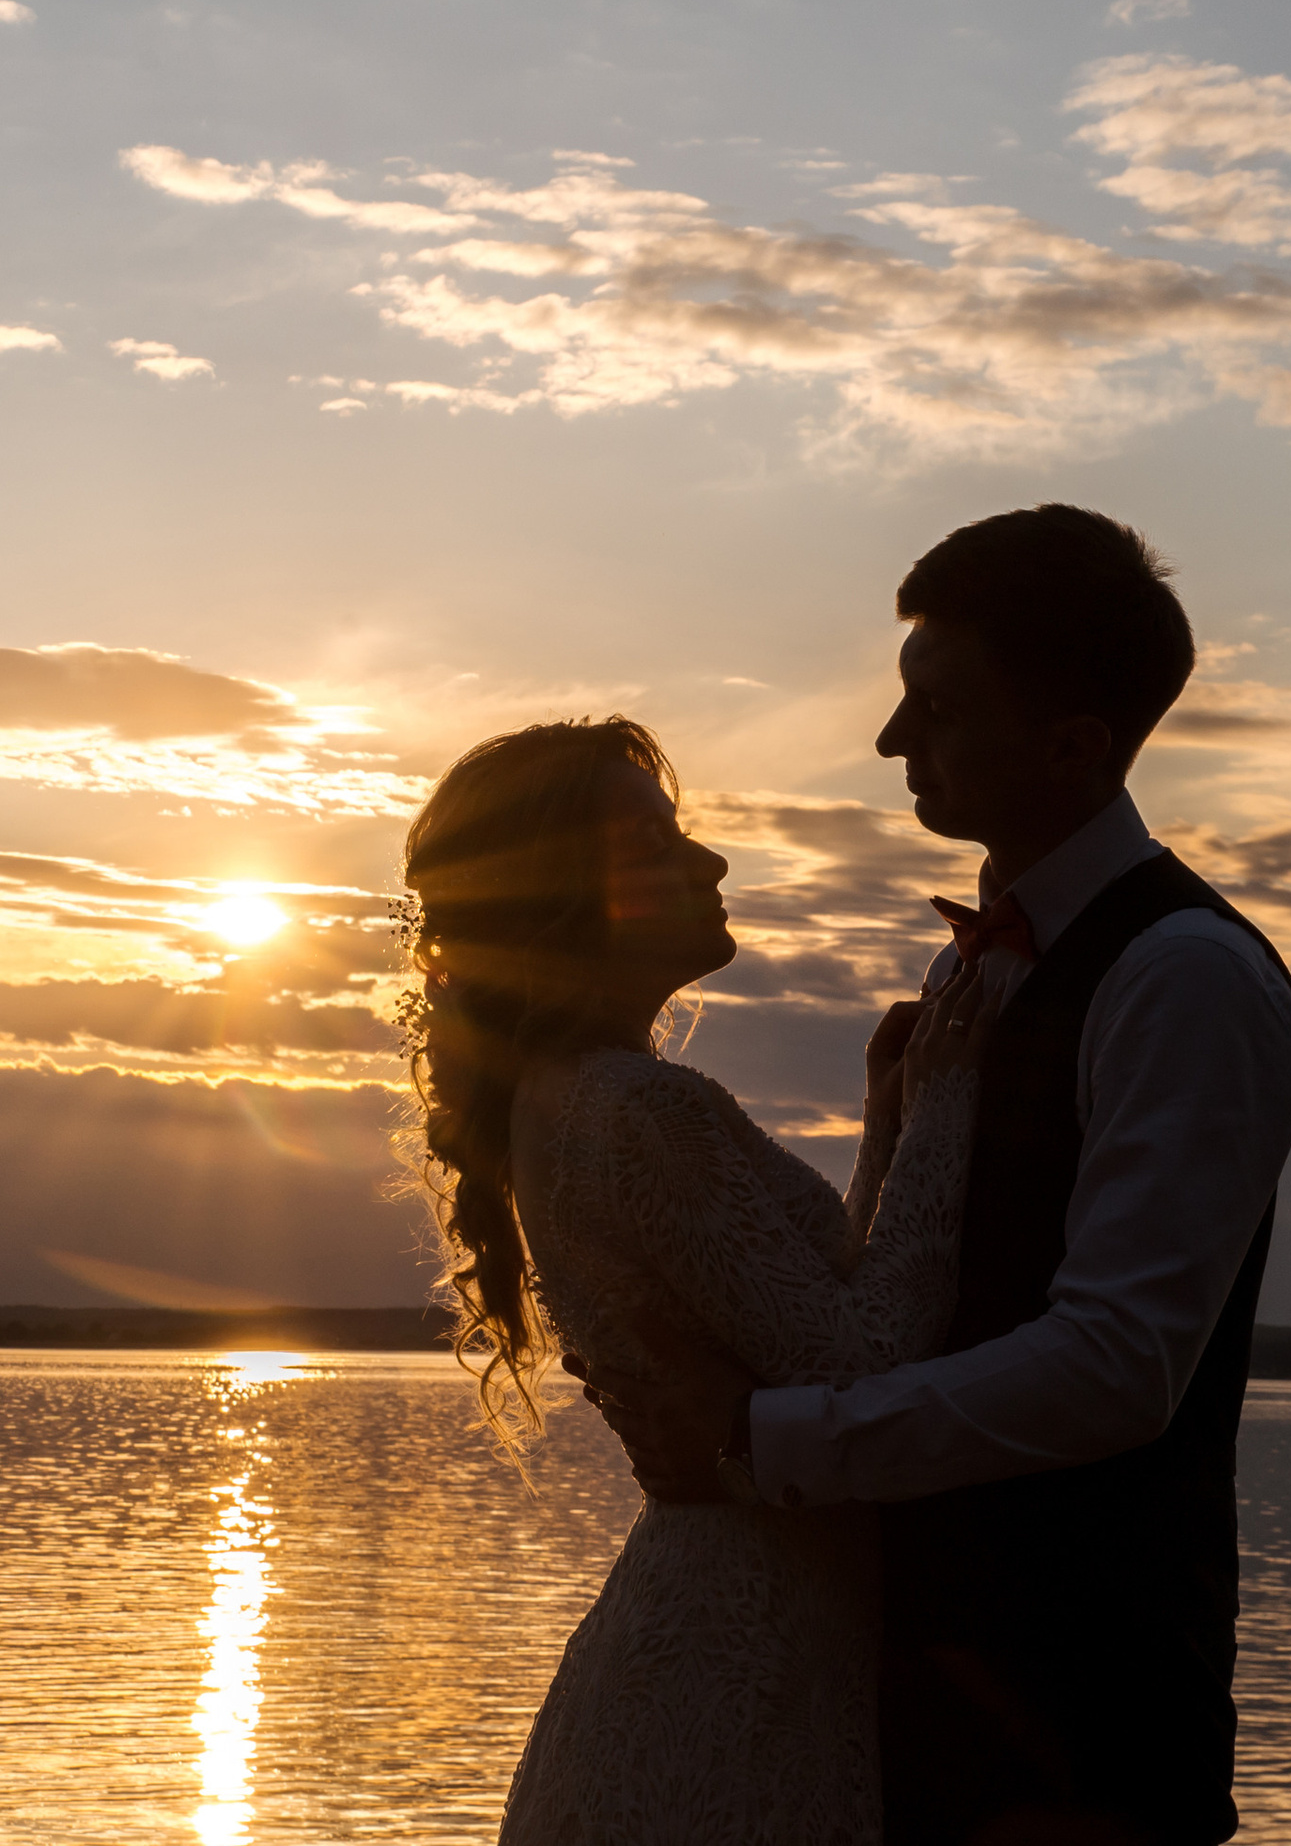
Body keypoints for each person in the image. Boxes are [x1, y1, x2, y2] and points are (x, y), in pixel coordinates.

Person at [572, 505, 1291, 1846]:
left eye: (939, 708)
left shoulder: (1187, 981)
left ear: (1074, 744)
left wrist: (754, 1441)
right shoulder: (969, 969)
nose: (889, 741)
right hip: (896, 1700)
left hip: (1075, 1724)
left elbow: (1117, 1362)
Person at [400, 713, 998, 1844]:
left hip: (718, 1632)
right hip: (738, 1661)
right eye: (658, 843)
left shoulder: (568, 1094)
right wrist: (954, 1102)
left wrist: (890, 1120)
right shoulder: (638, 1108)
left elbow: (808, 1313)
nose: (708, 861)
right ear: (563, 892)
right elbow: (864, 1358)